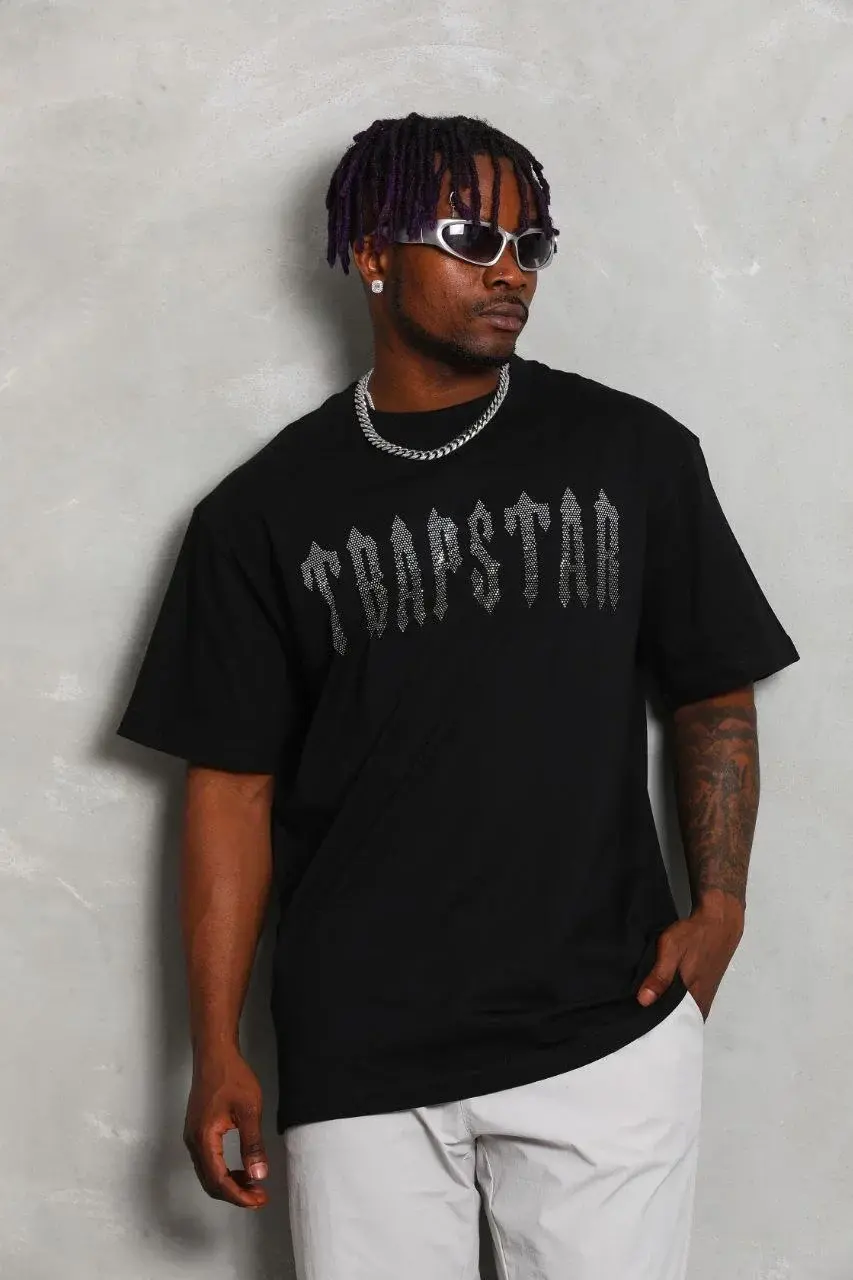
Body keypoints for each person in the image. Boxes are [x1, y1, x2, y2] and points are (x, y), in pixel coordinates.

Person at [116, 111, 800, 1279]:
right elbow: (230, 788)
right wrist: (216, 1043)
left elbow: (710, 690)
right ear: (371, 254)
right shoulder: (259, 514)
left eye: (531, 243)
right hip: (359, 1051)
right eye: (473, 237)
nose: (510, 270)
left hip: (601, 1027)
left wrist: (721, 904)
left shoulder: (630, 453)